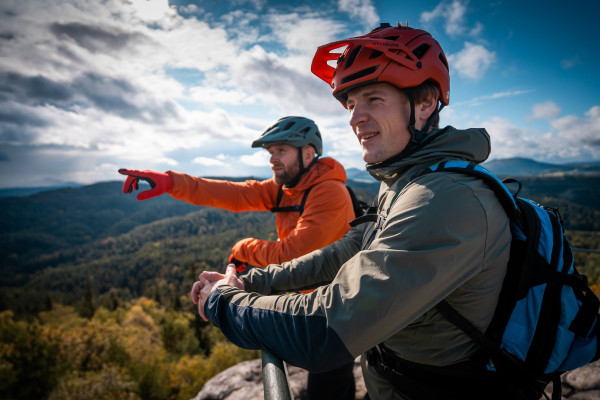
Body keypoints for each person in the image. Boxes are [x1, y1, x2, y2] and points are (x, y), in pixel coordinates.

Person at [191, 23, 513, 400]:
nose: (354, 118)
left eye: (373, 99)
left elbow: (326, 329)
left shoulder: (443, 200)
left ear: (425, 103)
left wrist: (222, 301)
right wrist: (255, 282)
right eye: (351, 103)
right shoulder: (407, 181)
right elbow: (346, 250)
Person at [119, 116, 357, 399]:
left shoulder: (330, 192)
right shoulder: (286, 187)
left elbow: (294, 253)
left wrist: (243, 248)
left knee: (329, 385)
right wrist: (172, 182)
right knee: (326, 379)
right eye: (271, 153)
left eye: (281, 151)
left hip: (334, 307)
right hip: (309, 300)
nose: (273, 160)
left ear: (308, 153)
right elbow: (233, 194)